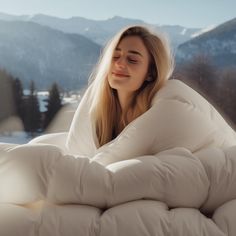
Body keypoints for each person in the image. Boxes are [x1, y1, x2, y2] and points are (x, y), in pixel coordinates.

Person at [66, 24, 236, 166]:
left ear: (150, 73)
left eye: (132, 60)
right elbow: (76, 152)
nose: (119, 63)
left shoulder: (170, 100)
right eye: (115, 56)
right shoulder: (97, 97)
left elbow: (102, 165)